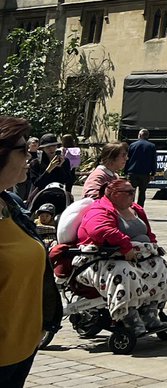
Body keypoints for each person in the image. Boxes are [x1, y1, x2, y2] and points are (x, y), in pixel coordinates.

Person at [0, 116, 60, 387]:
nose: (30, 155)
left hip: (22, 350)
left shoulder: (10, 204)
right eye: (24, 150)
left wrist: (40, 327)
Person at [76, 178, 167, 336]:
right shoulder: (99, 210)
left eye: (133, 191)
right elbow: (99, 230)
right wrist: (125, 246)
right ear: (114, 194)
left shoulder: (136, 209)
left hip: (137, 257)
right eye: (129, 192)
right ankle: (129, 316)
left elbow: (148, 233)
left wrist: (152, 246)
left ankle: (149, 314)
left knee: (159, 264)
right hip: (103, 259)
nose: (133, 195)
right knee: (123, 272)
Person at [125, 129, 157, 208]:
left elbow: (127, 159)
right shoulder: (152, 146)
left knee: (131, 192)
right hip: (145, 173)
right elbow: (153, 160)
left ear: (139, 135)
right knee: (142, 192)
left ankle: (130, 207)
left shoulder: (132, 145)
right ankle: (139, 209)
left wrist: (125, 171)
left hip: (132, 172)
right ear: (147, 136)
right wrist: (153, 173)